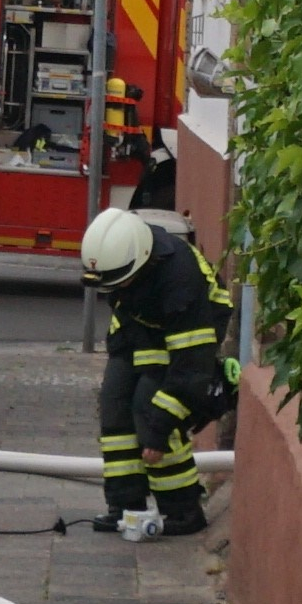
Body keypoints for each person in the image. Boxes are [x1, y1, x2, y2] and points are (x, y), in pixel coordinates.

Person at [79, 205, 229, 538]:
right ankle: (125, 506)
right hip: (138, 326)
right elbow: (124, 303)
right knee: (115, 402)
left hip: (190, 326)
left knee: (153, 407)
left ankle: (183, 511)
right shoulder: (121, 263)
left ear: (142, 261)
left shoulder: (181, 283)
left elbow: (190, 369)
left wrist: (159, 432)